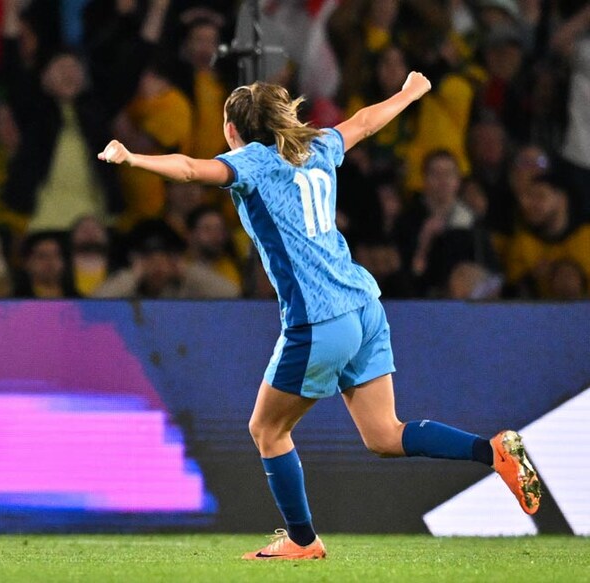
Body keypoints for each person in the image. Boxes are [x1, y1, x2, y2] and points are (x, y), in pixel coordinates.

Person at [98, 72, 541, 560]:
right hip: (364, 305)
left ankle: (303, 541)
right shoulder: (319, 147)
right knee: (385, 436)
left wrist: (132, 157)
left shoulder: (254, 162)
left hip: (318, 319)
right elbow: (366, 122)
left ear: (231, 130)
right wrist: (410, 93)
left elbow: (187, 169)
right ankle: (493, 451)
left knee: (267, 430)